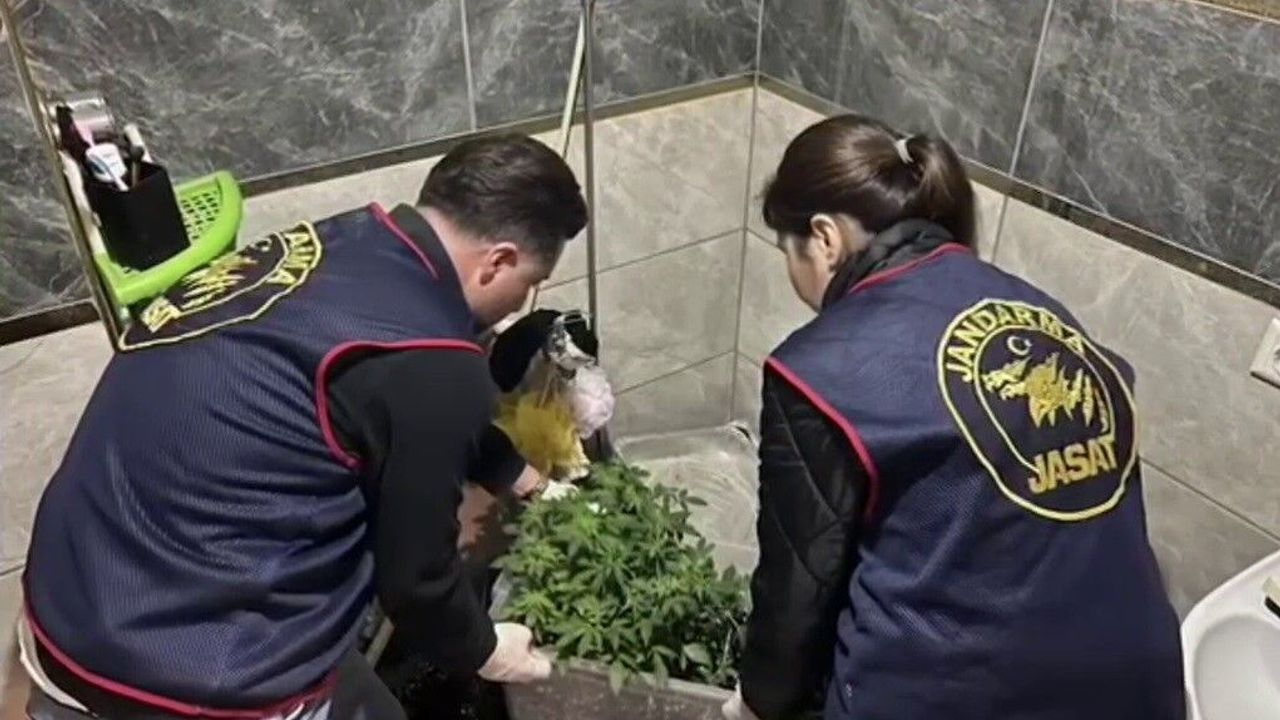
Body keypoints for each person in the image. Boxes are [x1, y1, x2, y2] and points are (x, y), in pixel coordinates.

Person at [18, 134, 588, 719]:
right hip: (189, 674)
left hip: (67, 604)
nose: (523, 301)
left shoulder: (335, 242)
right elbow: (417, 581)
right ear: (499, 261)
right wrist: (487, 651)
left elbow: (387, 402)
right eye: (531, 282)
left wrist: (526, 479)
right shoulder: (435, 362)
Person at [722, 116, 1185, 720]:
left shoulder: (818, 370)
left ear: (824, 238)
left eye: (789, 252)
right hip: (1139, 685)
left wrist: (757, 703)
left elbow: (799, 589)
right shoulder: (1045, 314)